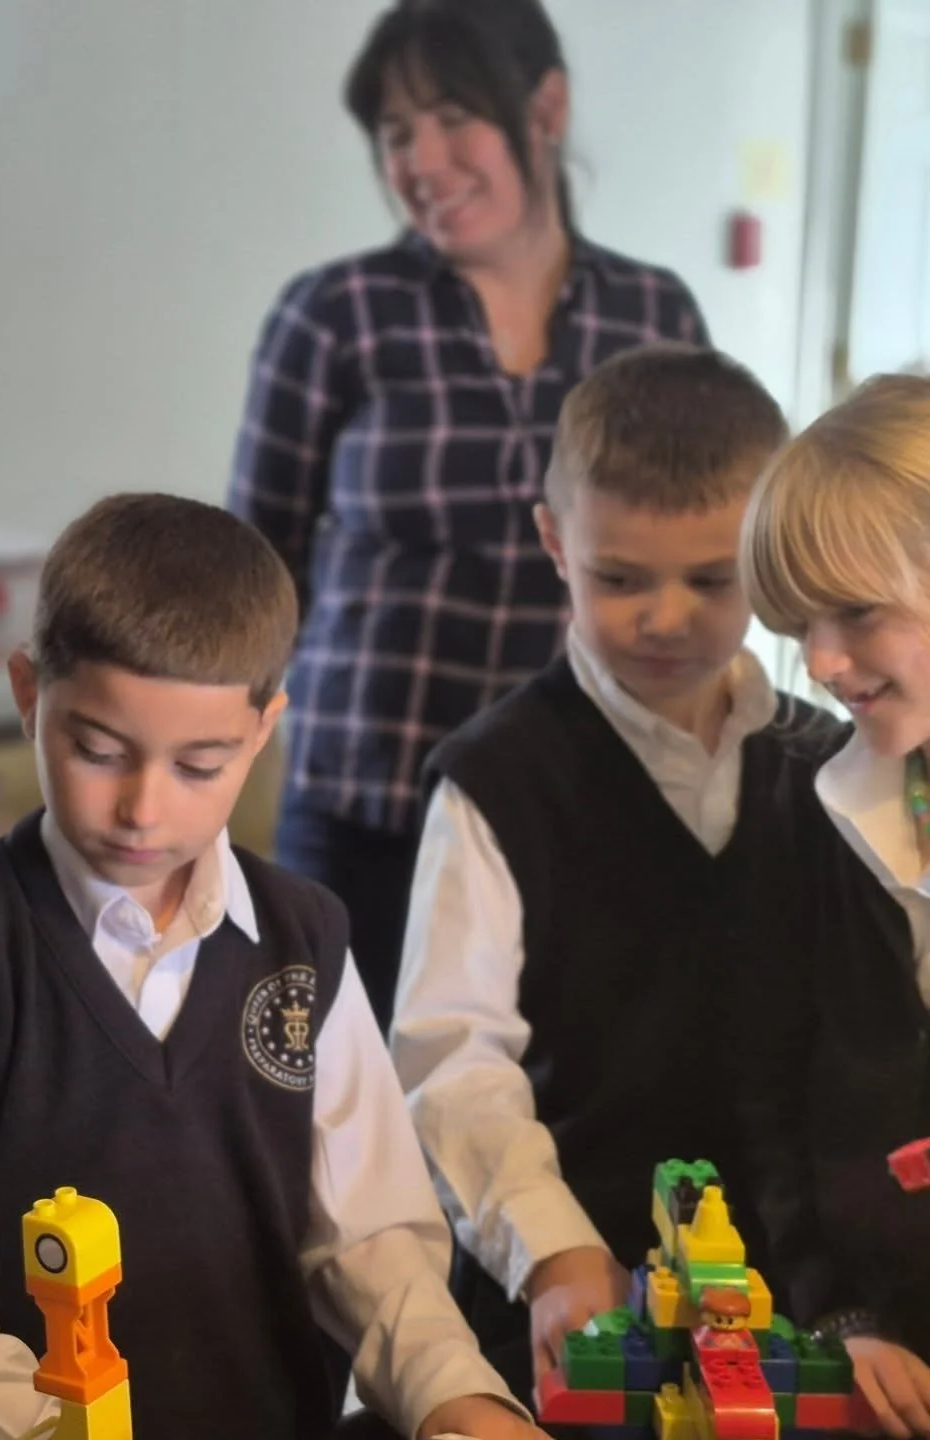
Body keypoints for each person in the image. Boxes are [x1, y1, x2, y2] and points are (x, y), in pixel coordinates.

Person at [0, 493, 549, 1440]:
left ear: (263, 732)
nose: (142, 808)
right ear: (28, 693)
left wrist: (451, 1393)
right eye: (98, 751)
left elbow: (370, 1235)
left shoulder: (306, 941)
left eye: (200, 766)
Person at [227, 0, 709, 1030]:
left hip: (585, 806)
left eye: (453, 118)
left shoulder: (653, 316)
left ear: (546, 107)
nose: (423, 161)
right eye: (397, 135)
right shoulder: (336, 314)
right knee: (336, 1121)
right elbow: (254, 572)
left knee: (559, 1118)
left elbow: (710, 538)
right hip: (366, 813)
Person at [390, 345, 843, 1409]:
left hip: (799, 1305)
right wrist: (550, 1250)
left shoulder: (829, 765)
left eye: (712, 578)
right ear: (556, 542)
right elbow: (452, 1054)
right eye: (621, 577)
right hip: (570, 1299)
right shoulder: (493, 781)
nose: (667, 618)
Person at [738, 372, 930, 1436]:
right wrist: (843, 1315)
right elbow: (775, 1095)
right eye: (799, 624)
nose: (817, 661)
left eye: (856, 612)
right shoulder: (814, 819)